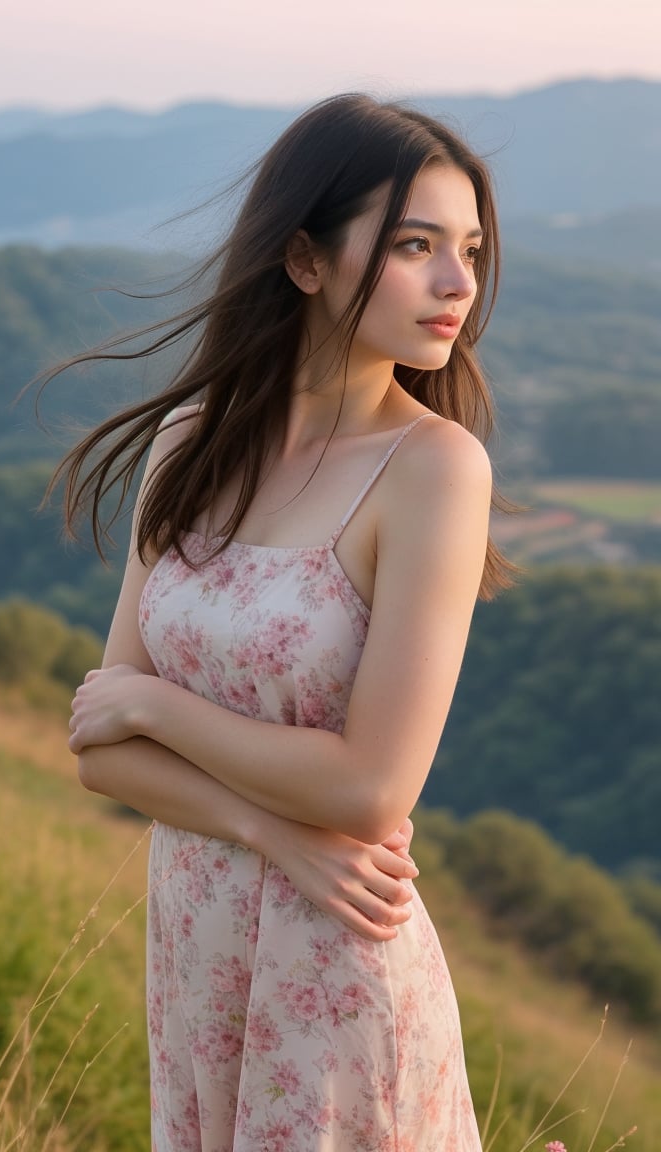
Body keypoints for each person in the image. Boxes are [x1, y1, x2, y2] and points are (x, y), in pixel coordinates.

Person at [59, 93, 512, 1152]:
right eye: (416, 246)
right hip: (198, 948)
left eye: (472, 251)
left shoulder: (434, 470)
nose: (459, 285)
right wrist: (269, 829)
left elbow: (369, 789)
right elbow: (100, 756)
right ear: (304, 260)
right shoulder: (189, 446)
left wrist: (156, 703)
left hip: (336, 969)